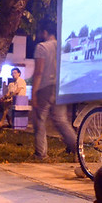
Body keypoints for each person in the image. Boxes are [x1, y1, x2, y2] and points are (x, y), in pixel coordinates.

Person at [31, 19, 76, 160]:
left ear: (45, 32)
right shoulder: (63, 47)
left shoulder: (42, 47)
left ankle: (41, 154)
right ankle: (78, 150)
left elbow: (39, 72)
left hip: (45, 86)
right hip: (61, 87)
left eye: (41, 32)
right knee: (61, 120)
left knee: (39, 119)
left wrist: (34, 93)